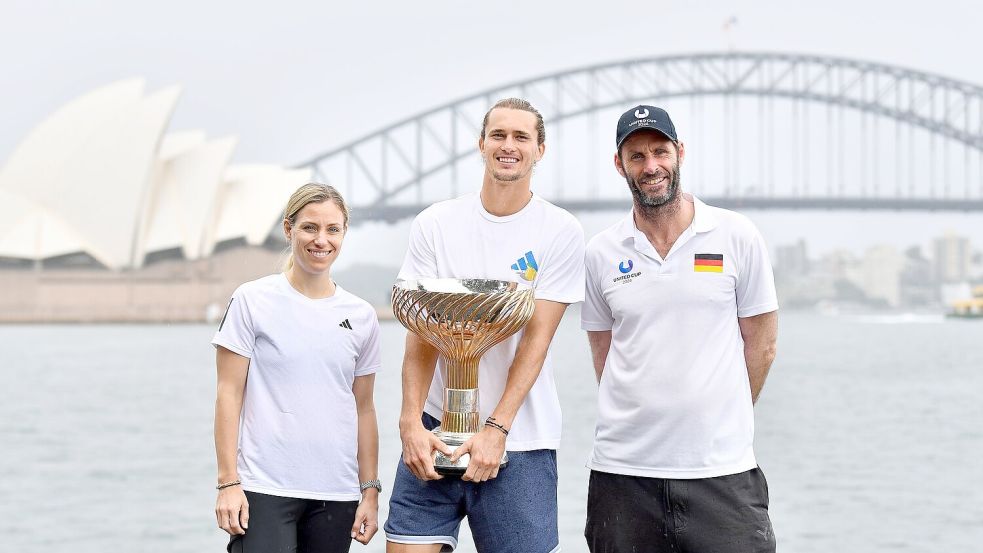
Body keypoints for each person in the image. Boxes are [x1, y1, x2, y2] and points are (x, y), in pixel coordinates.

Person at [384, 98, 585, 553]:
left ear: (540, 150)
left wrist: (497, 429)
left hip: (519, 437)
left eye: (521, 137)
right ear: (481, 144)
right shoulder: (436, 223)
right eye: (498, 135)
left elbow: (537, 340)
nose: (508, 146)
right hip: (435, 429)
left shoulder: (560, 230)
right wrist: (410, 421)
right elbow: (420, 332)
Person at [581, 105, 780, 553]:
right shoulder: (601, 252)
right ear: (620, 164)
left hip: (722, 473)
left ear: (680, 153)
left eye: (660, 151)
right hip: (623, 474)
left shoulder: (736, 235)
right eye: (636, 156)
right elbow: (604, 353)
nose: (651, 166)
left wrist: (716, 412)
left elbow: (762, 346)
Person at [212, 183, 382, 552]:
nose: (321, 240)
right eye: (309, 227)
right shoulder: (252, 301)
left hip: (336, 493)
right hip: (264, 488)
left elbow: (363, 408)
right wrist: (228, 483)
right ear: (289, 230)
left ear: (343, 234)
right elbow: (229, 393)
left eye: (332, 230)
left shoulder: (362, 316)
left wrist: (369, 491)